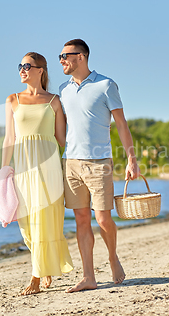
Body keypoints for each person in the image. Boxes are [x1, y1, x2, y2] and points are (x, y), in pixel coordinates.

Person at [58, 39, 140, 293]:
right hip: (70, 163)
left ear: (81, 56)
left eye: (65, 56)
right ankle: (88, 277)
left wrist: (132, 159)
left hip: (99, 163)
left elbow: (122, 124)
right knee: (81, 220)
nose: (61, 60)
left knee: (103, 219)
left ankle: (113, 256)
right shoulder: (63, 89)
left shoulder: (106, 85)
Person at [2, 52, 73, 295]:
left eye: (27, 66)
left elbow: (62, 139)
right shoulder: (13, 100)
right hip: (23, 168)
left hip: (48, 167)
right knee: (27, 222)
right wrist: (4, 169)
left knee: (45, 220)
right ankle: (44, 266)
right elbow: (9, 139)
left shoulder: (54, 100)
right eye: (20, 65)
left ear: (40, 70)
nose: (22, 69)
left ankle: (35, 276)